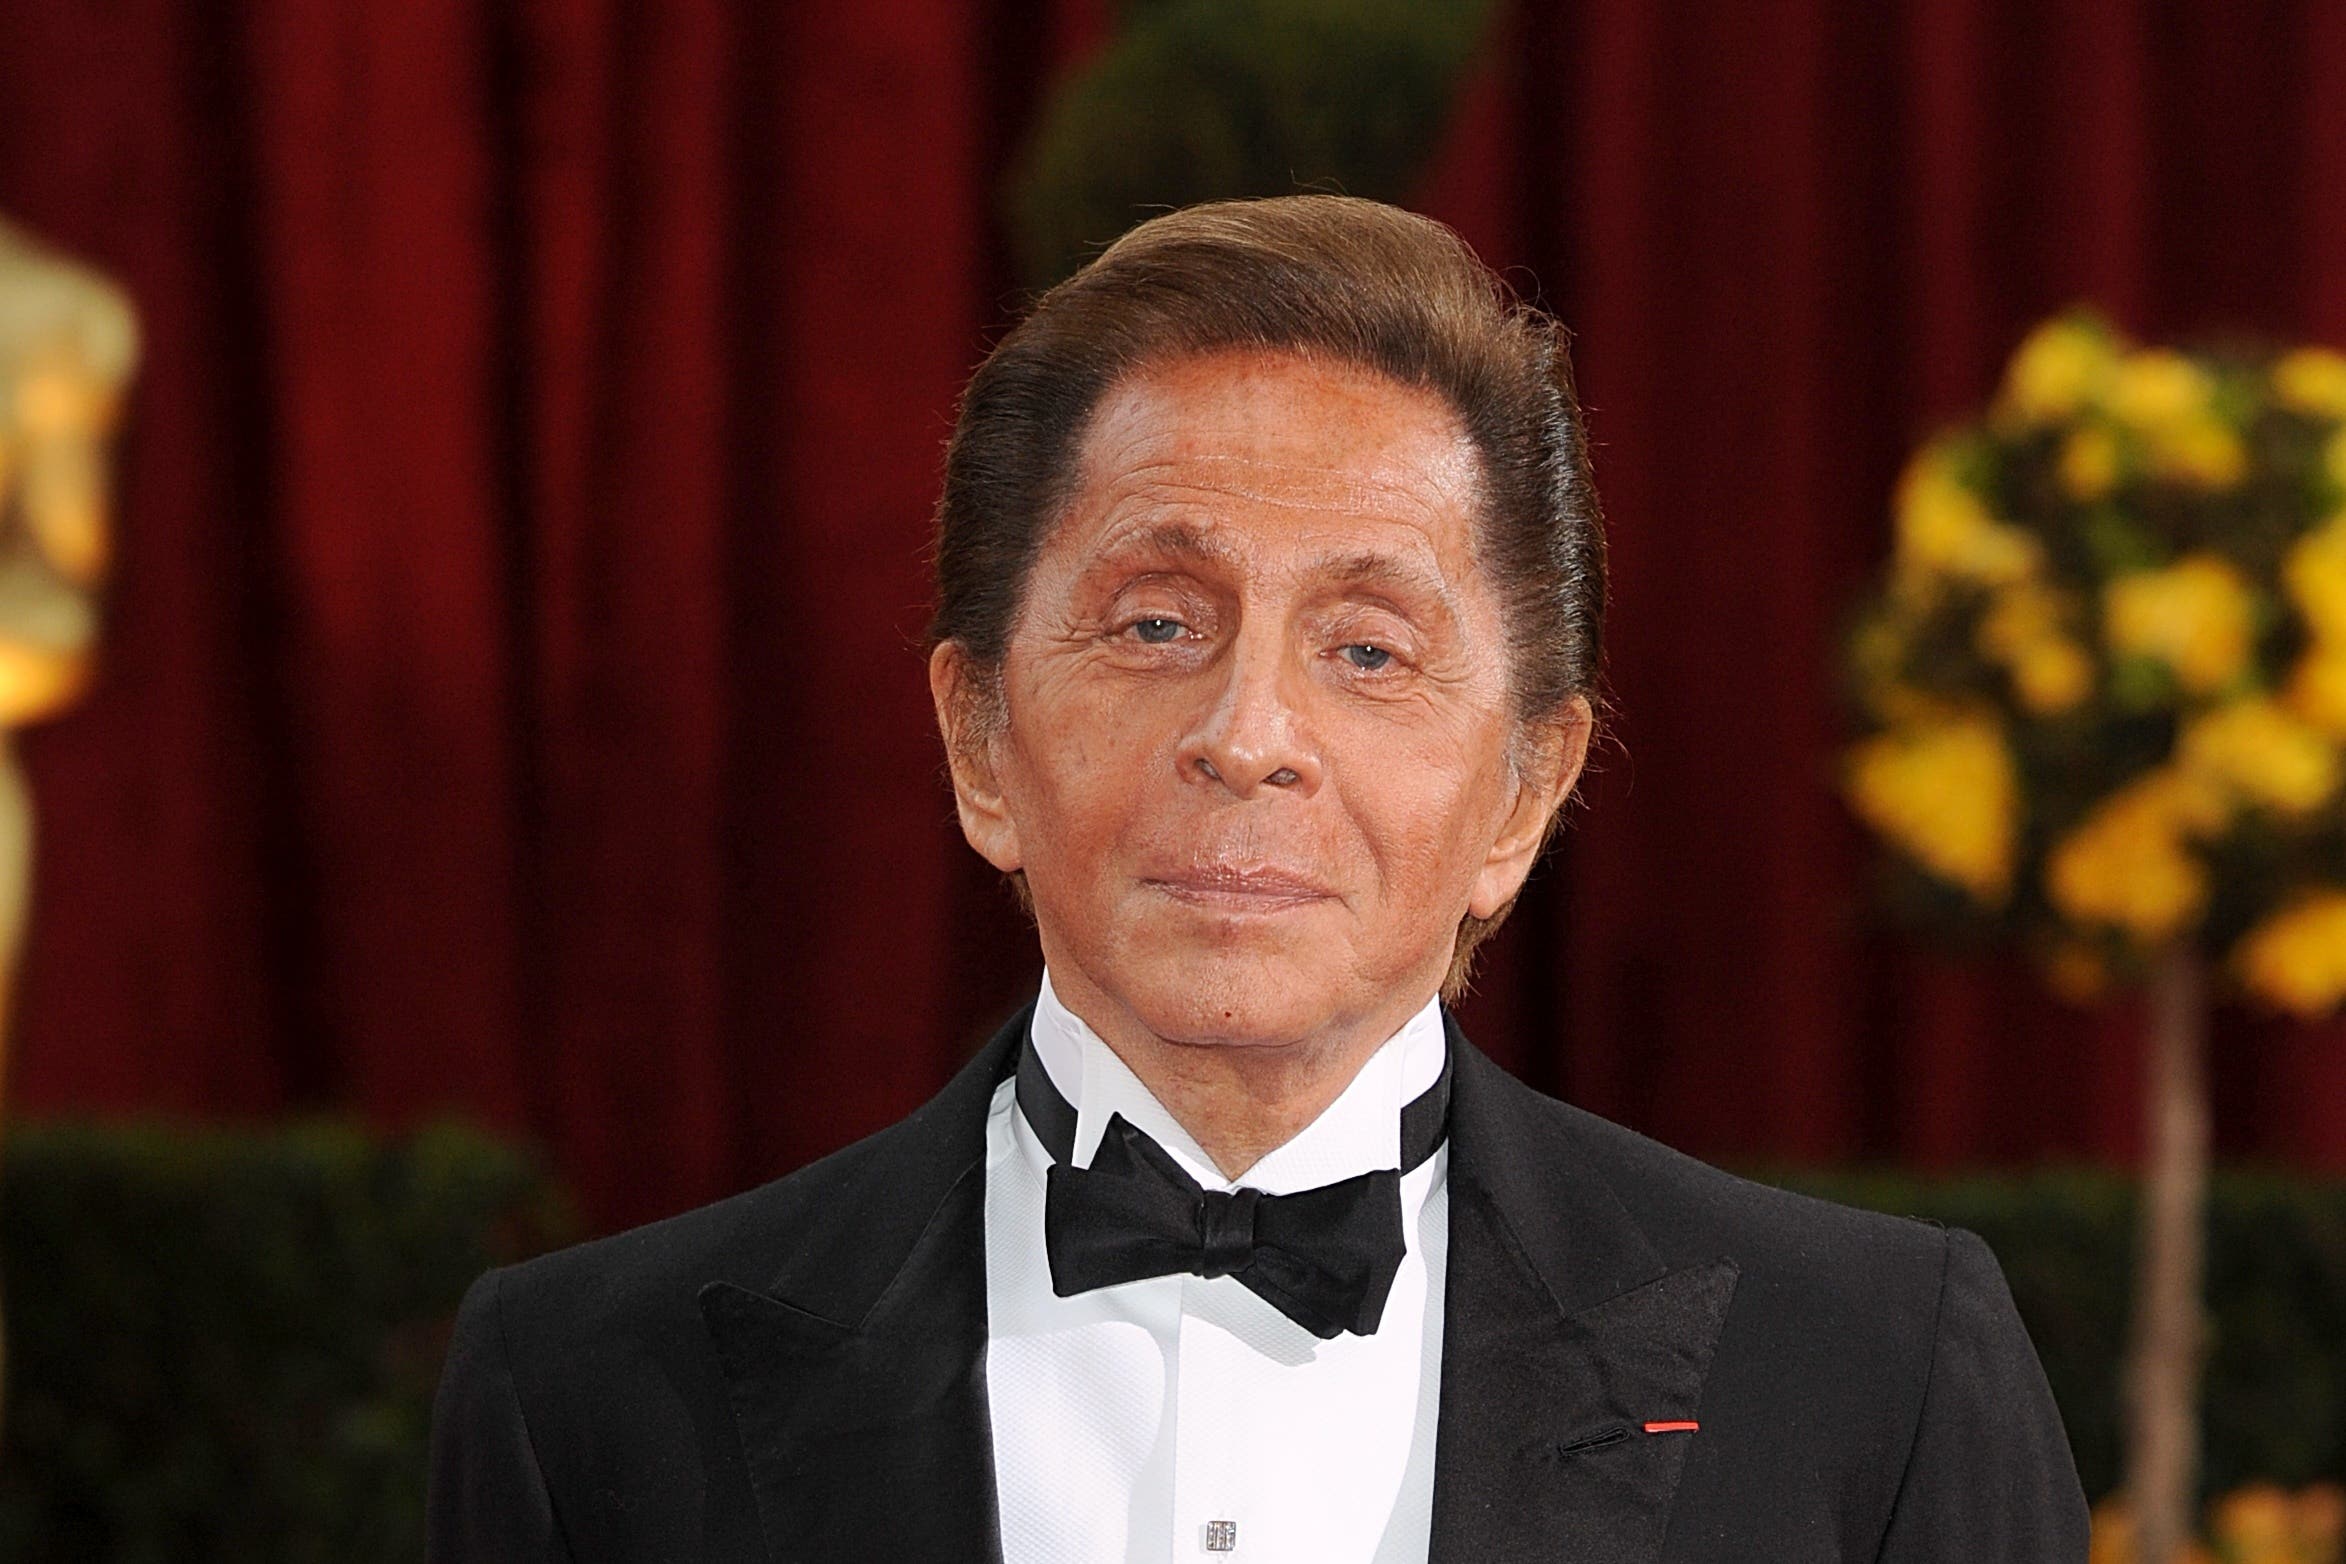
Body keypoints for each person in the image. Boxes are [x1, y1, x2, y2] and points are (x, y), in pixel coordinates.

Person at [427, 194, 2090, 1562]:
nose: (1250, 734)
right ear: (979, 742)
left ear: (1524, 789)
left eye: (1368, 649)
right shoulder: (588, 1398)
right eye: (1155, 623)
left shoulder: (1868, 1378)